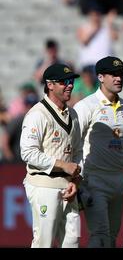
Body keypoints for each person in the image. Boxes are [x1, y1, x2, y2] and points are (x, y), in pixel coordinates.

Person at [73, 56, 123, 248]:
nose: (119, 78)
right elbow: (73, 142)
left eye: (121, 74)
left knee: (112, 237)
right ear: (100, 77)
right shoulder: (86, 106)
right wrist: (77, 176)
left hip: (118, 181)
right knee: (99, 234)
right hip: (94, 180)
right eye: (114, 74)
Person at [20, 63, 83, 248]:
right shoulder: (37, 114)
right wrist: (63, 165)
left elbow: (78, 151)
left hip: (69, 188)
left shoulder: (73, 114)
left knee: (73, 242)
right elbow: (28, 152)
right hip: (44, 185)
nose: (70, 85)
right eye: (64, 82)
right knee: (44, 243)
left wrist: (75, 180)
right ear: (50, 84)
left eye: (71, 81)